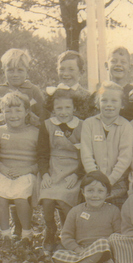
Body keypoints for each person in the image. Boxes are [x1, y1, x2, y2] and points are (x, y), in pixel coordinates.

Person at [38, 89, 85, 254]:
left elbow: (86, 154)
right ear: (53, 109)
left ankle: (68, 234)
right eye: (59, 108)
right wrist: (44, 174)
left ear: (74, 108)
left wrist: (77, 174)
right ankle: (50, 231)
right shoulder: (47, 125)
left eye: (67, 108)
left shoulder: (81, 125)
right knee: (48, 199)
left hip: (75, 168)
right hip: (53, 167)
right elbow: (42, 153)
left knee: (65, 200)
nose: (63, 112)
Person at [52, 171, 121, 263]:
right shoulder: (75, 211)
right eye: (90, 191)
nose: (95, 195)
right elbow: (66, 236)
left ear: (107, 193)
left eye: (100, 191)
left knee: (104, 244)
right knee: (57, 255)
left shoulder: (113, 210)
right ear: (83, 192)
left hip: (103, 252)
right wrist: (78, 249)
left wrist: (107, 244)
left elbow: (118, 235)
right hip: (81, 252)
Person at [0, 92, 39, 246]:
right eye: (8, 111)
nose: (13, 115)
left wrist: (28, 170)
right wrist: (2, 168)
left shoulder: (35, 132)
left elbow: (42, 159)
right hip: (4, 171)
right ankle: (5, 234)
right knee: (0, 198)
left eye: (18, 111)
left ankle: (26, 233)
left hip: (26, 173)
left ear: (26, 112)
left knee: (20, 198)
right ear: (2, 113)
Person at [81, 81, 133, 208]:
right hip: (93, 180)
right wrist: (96, 179)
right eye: (104, 100)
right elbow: (86, 155)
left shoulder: (126, 126)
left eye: (114, 101)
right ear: (98, 103)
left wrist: (109, 181)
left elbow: (124, 159)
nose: (109, 105)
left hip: (117, 180)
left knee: (115, 212)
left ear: (122, 105)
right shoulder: (89, 124)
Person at [0, 48, 45, 130]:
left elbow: (43, 118)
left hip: (30, 138)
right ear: (3, 71)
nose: (15, 74)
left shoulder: (34, 91)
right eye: (10, 70)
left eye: (20, 70)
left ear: (27, 71)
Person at [45, 50, 94, 120]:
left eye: (71, 69)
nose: (65, 74)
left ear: (81, 72)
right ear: (57, 70)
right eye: (61, 69)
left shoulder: (88, 97)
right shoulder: (52, 94)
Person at [107, 46, 133, 122]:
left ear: (130, 67)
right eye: (114, 61)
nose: (118, 65)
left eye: (123, 62)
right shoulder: (100, 92)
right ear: (106, 65)